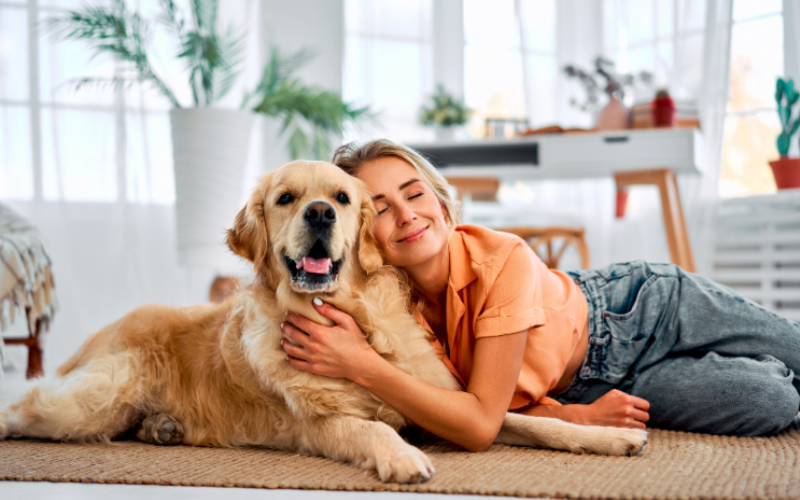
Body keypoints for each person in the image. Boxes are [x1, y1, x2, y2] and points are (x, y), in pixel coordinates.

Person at [279, 139, 800, 452]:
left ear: (441, 203)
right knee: (772, 401)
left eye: (414, 194)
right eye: (382, 207)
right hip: (587, 386)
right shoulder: (388, 311)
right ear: (361, 230)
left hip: (639, 309)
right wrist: (571, 414)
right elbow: (458, 414)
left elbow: (479, 423)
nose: (407, 214)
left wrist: (362, 364)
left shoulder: (502, 257)